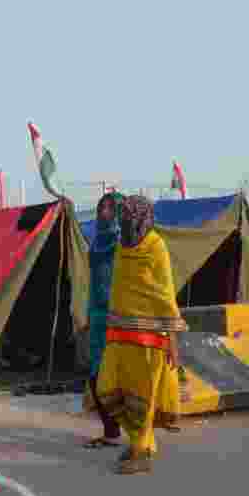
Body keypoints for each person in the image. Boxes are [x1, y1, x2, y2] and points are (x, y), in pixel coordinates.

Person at [96, 195, 186, 474]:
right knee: (107, 388)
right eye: (125, 220)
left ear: (144, 220)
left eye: (132, 220)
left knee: (141, 398)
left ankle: (141, 451)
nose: (128, 225)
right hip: (119, 333)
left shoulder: (156, 247)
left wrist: (172, 340)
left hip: (149, 336)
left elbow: (165, 292)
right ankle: (141, 440)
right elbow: (119, 287)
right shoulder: (122, 246)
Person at [82, 191, 124, 449]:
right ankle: (111, 431)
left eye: (109, 208)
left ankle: (138, 434)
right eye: (100, 207)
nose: (102, 212)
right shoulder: (97, 241)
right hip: (98, 316)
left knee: (121, 376)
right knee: (96, 375)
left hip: (119, 314)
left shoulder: (124, 241)